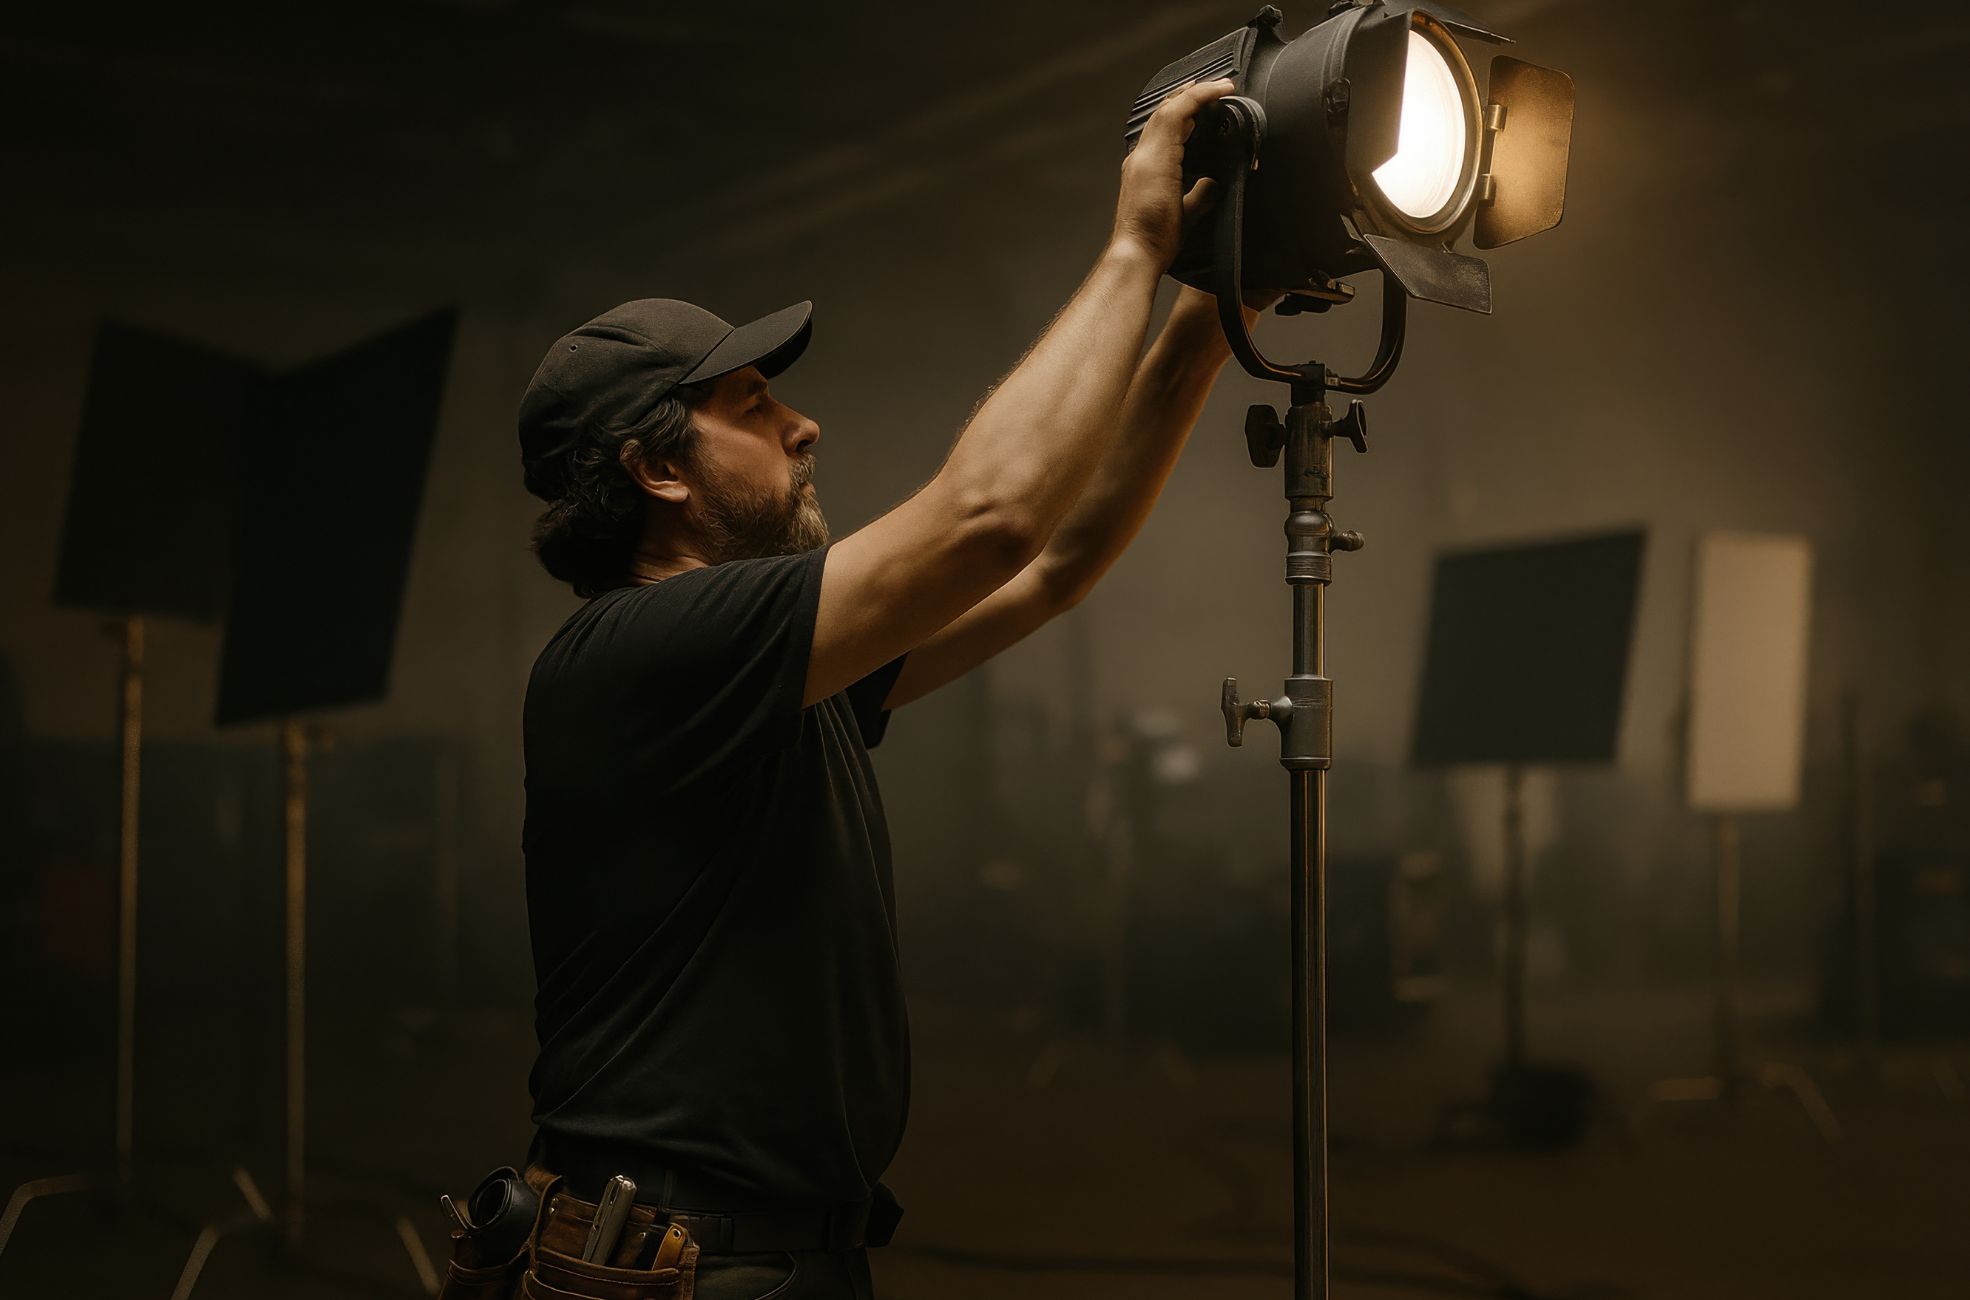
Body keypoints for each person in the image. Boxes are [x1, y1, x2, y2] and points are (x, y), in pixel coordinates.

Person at [455, 76, 1265, 1300]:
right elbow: (990, 516)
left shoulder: (775, 665)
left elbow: (1049, 562)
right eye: (750, 404)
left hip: (773, 1253)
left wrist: (1202, 321)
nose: (803, 423)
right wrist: (1135, 245)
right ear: (653, 471)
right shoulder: (641, 653)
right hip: (677, 1270)